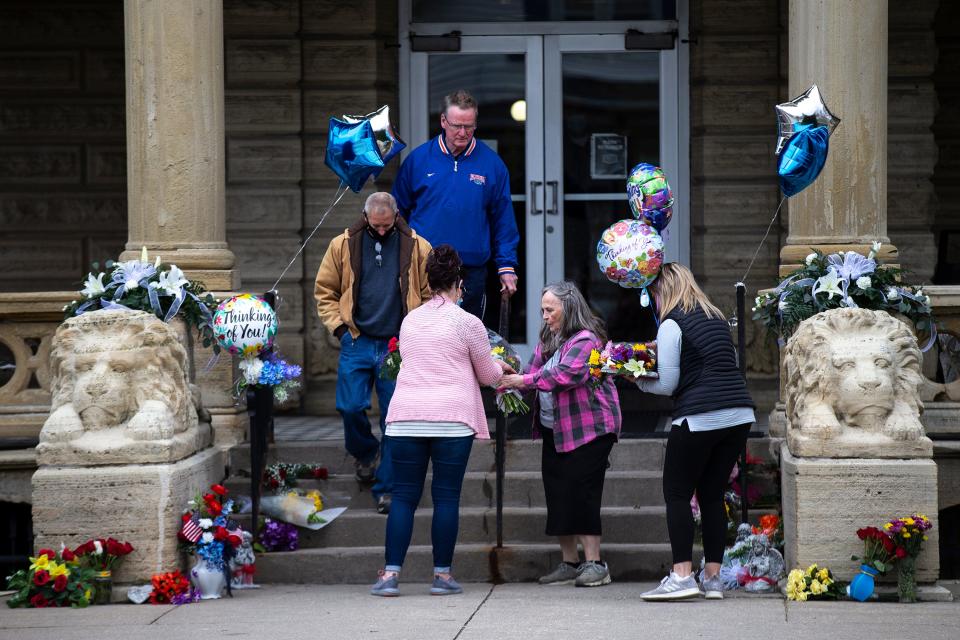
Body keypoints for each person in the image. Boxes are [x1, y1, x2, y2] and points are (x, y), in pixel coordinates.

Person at [369, 245, 513, 597]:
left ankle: (389, 576)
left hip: (405, 417)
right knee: (446, 497)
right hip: (451, 418)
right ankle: (442, 575)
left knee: (403, 496)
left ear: (429, 282)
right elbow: (486, 375)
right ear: (459, 284)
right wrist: (504, 370)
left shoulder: (410, 320)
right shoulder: (468, 323)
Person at [635, 263, 755, 601]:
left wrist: (637, 381)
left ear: (662, 290)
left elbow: (669, 383)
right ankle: (713, 578)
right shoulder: (715, 317)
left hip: (698, 416)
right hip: (739, 414)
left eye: (652, 293)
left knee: (677, 492)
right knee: (712, 494)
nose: (653, 301)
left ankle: (682, 575)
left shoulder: (672, 323)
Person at [314, 192, 432, 515]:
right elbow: (325, 290)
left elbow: (430, 292)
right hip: (357, 340)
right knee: (349, 406)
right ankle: (366, 452)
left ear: (396, 216)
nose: (382, 231)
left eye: (387, 225)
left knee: (395, 418)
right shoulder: (343, 244)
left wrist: (417, 332)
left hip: (397, 343)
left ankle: (387, 488)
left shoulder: (418, 246)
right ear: (365, 217)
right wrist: (339, 329)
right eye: (376, 226)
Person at [499, 281, 621, 588]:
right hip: (556, 429)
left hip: (590, 429)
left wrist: (522, 381)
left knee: (584, 493)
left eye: (550, 310)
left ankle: (595, 564)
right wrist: (506, 376)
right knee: (558, 494)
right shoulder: (549, 338)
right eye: (542, 310)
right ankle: (570, 563)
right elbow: (532, 369)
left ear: (569, 308)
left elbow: (564, 374)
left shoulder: (587, 339)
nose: (545, 316)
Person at [392, 89, 519, 320]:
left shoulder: (492, 164)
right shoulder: (418, 160)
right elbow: (397, 213)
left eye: (469, 126)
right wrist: (402, 259)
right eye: (456, 125)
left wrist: (506, 266)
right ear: (443, 121)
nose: (462, 132)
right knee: (426, 340)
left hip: (471, 270)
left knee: (467, 341)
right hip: (426, 268)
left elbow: (503, 219)